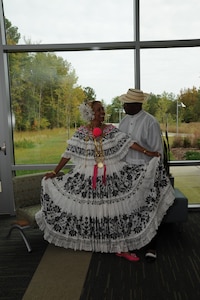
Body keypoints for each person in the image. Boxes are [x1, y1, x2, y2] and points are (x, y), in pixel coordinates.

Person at [35, 100, 175, 262]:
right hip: (88, 176)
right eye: (99, 109)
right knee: (93, 212)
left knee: (114, 211)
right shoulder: (81, 132)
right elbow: (68, 152)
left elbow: (128, 143)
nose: (103, 112)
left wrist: (148, 152)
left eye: (103, 109)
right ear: (90, 113)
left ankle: (120, 246)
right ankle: (96, 243)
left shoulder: (110, 130)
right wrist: (55, 171)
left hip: (112, 175)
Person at [118, 88, 172, 261]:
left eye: (126, 103)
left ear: (136, 104)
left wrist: (151, 176)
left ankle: (152, 247)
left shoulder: (150, 122)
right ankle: (134, 242)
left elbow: (157, 153)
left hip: (146, 172)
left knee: (149, 210)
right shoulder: (123, 122)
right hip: (127, 172)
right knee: (130, 209)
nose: (124, 105)